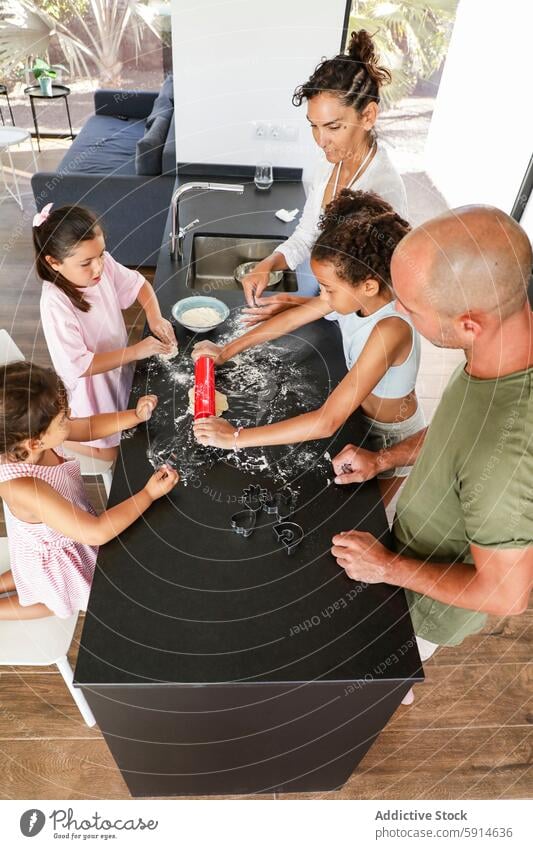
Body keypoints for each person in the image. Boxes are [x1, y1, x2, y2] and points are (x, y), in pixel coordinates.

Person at [330, 206, 533, 701]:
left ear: (468, 324)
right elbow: (456, 429)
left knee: (379, 676)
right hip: (408, 541)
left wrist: (386, 568)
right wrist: (384, 460)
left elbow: (507, 596)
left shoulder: (505, 456)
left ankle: (390, 692)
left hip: (425, 605)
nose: (399, 312)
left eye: (411, 307)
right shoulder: (501, 347)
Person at [192, 190, 422, 505]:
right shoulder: (362, 296)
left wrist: (234, 437)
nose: (322, 296)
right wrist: (228, 350)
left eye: (328, 288)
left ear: (368, 285)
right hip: (358, 413)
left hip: (386, 437)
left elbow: (327, 421)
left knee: (369, 513)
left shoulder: (390, 329)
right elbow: (298, 316)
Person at [241, 29, 407, 326]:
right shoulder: (328, 163)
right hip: (326, 305)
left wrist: (294, 303)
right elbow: (307, 235)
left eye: (333, 127)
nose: (320, 140)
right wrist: (268, 264)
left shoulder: (381, 190)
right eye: (314, 126)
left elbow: (367, 294)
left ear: (368, 116)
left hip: (361, 326)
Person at [0, 361, 179, 620]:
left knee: (27, 575)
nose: (70, 416)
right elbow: (96, 532)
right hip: (58, 557)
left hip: (61, 532)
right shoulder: (26, 488)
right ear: (36, 442)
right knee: (52, 601)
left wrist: (135, 416)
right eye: (63, 418)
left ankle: (17, 577)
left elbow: (89, 427)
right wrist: (148, 494)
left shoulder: (31, 439)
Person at [35, 203, 176, 462]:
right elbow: (80, 365)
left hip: (118, 367)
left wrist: (154, 316)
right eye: (86, 263)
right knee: (112, 452)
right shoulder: (55, 303)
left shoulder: (102, 265)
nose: (98, 267)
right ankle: (53, 440)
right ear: (54, 262)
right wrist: (135, 352)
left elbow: (139, 284)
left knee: (128, 423)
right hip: (91, 387)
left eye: (101, 254)